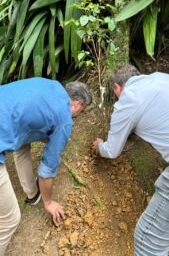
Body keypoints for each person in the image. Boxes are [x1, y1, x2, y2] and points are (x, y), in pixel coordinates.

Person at [0, 77, 92, 255]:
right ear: (78, 104)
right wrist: (48, 202)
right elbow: (46, 170)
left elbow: (31, 118)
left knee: (22, 146)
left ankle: (32, 194)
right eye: (82, 111)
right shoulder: (65, 119)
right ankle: (39, 198)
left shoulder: (52, 85)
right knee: (10, 219)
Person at [93, 64, 169, 256]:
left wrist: (99, 146)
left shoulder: (129, 99)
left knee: (147, 240)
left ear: (118, 88)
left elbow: (112, 151)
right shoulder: (160, 78)